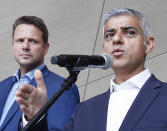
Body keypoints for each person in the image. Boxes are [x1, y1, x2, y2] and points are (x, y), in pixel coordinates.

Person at [17, 8, 167, 131]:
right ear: (103, 49)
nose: (116, 39)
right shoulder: (84, 111)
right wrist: (36, 117)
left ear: (148, 44)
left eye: (129, 32)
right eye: (110, 35)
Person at [0, 16, 80, 131]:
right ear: (13, 45)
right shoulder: (2, 86)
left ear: (46, 48)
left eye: (33, 41)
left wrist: (33, 119)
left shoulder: (63, 88)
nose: (25, 47)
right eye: (20, 40)